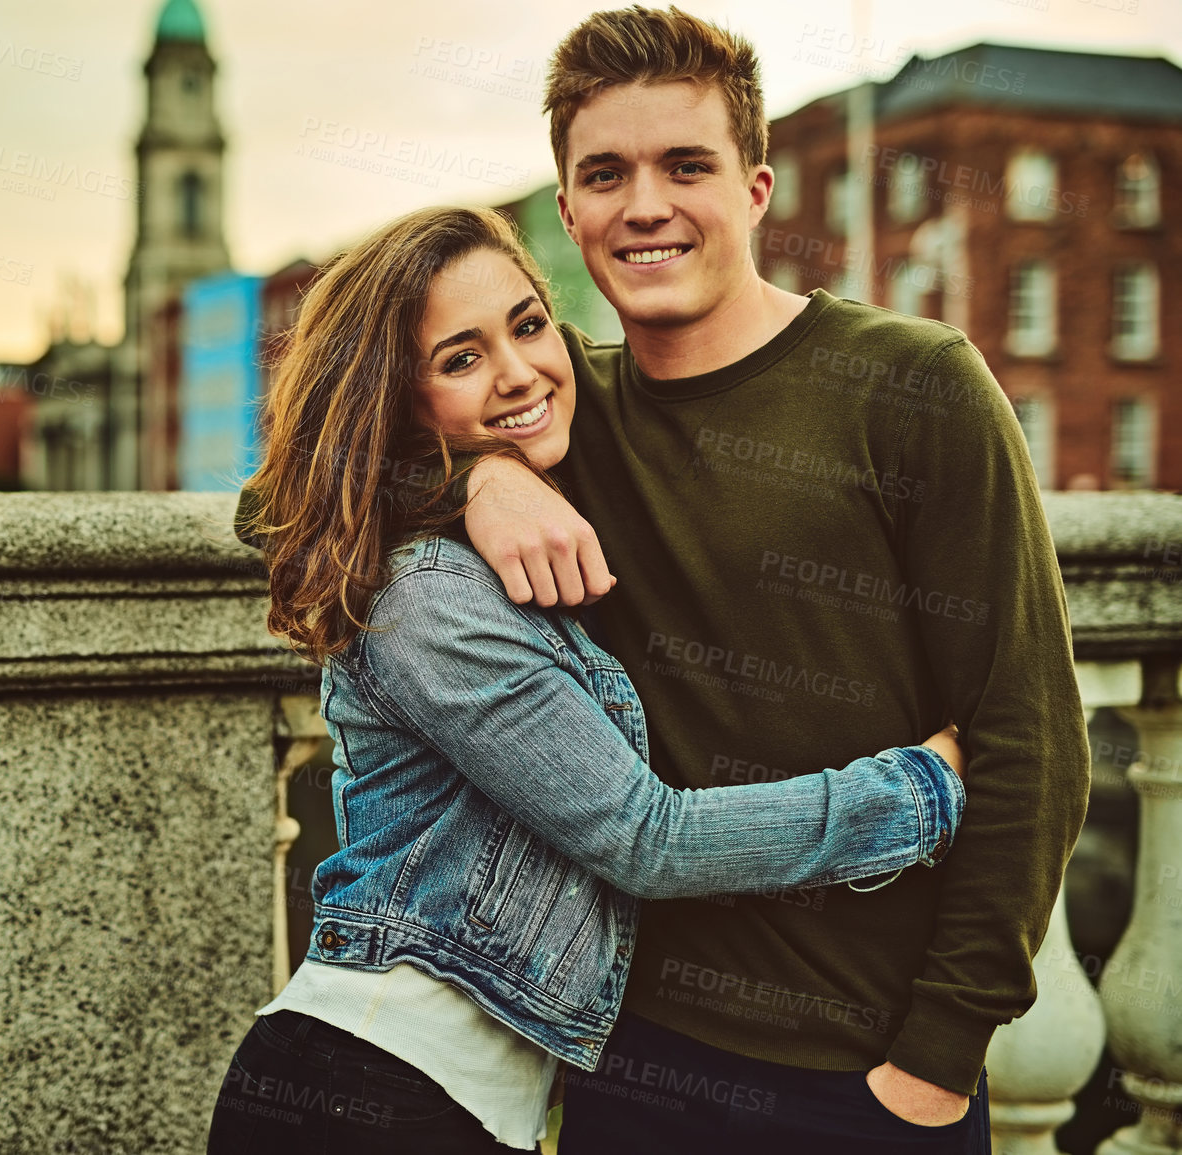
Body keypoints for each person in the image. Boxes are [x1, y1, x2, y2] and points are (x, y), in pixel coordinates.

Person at [444, 7, 1090, 1152]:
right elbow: (291, 498)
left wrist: (935, 1060)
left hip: (868, 1077)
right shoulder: (554, 423)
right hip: (627, 1061)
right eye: (606, 174)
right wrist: (484, 480)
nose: (644, 204)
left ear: (755, 189)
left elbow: (1031, 738)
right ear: (569, 213)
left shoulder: (914, 384)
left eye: (685, 165)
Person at [209, 204, 967, 1154]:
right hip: (370, 1089)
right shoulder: (428, 596)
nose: (518, 371)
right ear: (396, 402)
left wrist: (479, 476)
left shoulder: (537, 499)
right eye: (459, 358)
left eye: (527, 326)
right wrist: (918, 792)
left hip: (456, 1101)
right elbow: (642, 838)